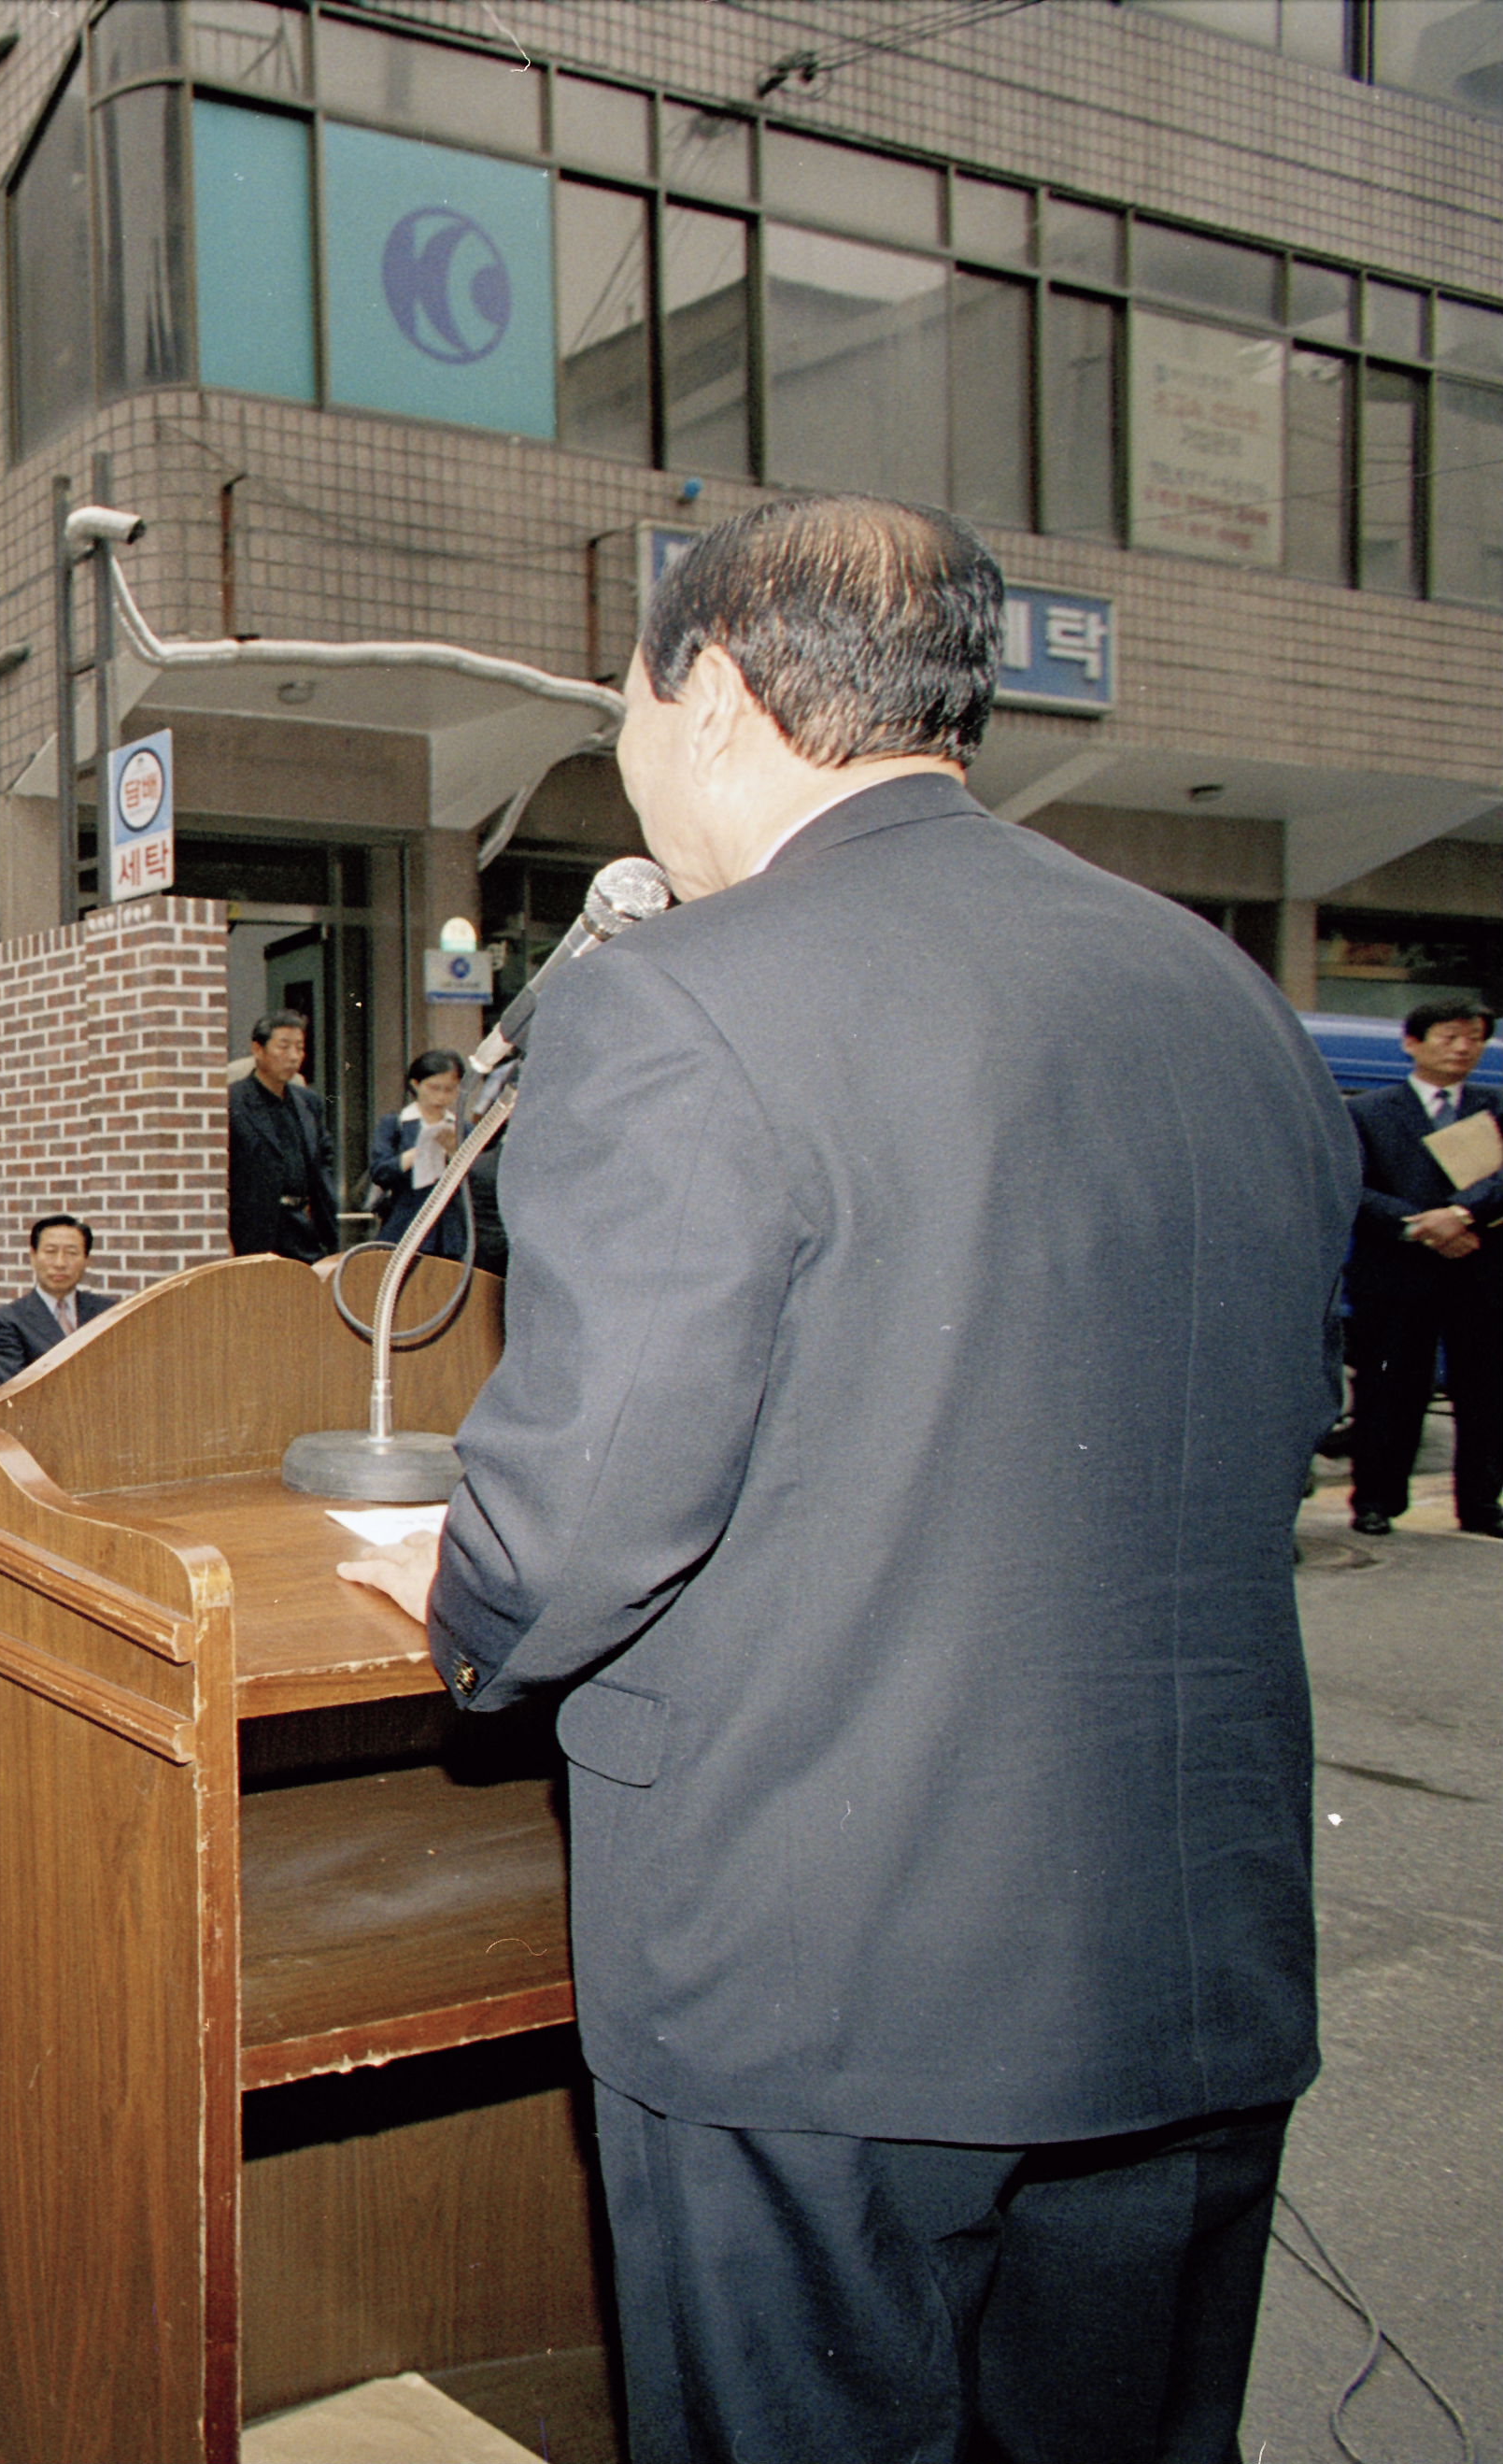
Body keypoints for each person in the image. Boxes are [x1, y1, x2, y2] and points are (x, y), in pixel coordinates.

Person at [352, 493, 1354, 2460]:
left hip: (823, 1985)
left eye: (619, 714)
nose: (622, 764)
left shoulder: (680, 997)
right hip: (1186, 1964)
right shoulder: (1218, 998)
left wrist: (458, 1597)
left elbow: (583, 1516)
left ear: (711, 693)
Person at [1342, 993, 1499, 1536]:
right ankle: (1376, 1501)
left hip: (1481, 1273)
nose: (1463, 1048)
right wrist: (1422, 1227)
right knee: (1389, 1392)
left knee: (1484, 1394)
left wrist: (1461, 1214)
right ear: (1413, 1042)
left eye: (1475, 1037)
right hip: (1394, 1275)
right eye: (1450, 1036)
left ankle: (1480, 1506)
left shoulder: (1494, 1107)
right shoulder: (1366, 1111)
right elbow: (1353, 1189)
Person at [227, 1012, 337, 1261]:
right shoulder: (233, 1102)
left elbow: (323, 1162)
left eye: (299, 1047)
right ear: (258, 1049)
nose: (294, 1056)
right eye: (284, 1046)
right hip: (254, 1229)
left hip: (303, 1225)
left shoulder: (308, 1102)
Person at [367, 1050, 475, 1260]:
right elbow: (380, 1172)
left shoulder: (463, 1129)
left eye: (449, 1090)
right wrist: (416, 1153)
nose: (441, 1096)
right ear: (415, 1084)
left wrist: (454, 1153)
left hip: (449, 1232)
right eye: (434, 1088)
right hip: (404, 1224)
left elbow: (474, 1183)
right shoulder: (396, 1124)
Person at [0, 1213, 112, 1389]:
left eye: (72, 1253)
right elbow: (9, 1392)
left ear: (86, 1260)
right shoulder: (9, 1320)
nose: (60, 1263)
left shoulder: (107, 1313)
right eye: (51, 1252)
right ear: (33, 1256)